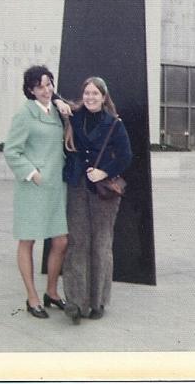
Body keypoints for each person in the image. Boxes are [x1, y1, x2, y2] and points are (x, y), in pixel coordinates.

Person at [61, 77, 132, 324]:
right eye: (87, 93)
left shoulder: (114, 124)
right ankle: (75, 302)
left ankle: (98, 301)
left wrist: (105, 171)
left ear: (104, 97)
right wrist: (61, 105)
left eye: (95, 93)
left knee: (101, 244)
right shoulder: (75, 116)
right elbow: (55, 100)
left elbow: (126, 156)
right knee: (77, 243)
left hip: (103, 192)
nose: (90, 97)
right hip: (78, 187)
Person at [3, 65, 69, 319]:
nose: (46, 89)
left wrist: (61, 103)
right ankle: (32, 297)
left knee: (61, 240)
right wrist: (32, 173)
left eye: (49, 84)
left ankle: (52, 292)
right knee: (28, 240)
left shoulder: (56, 110)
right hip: (33, 187)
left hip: (55, 188)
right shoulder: (24, 114)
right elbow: (11, 151)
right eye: (40, 86)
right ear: (31, 90)